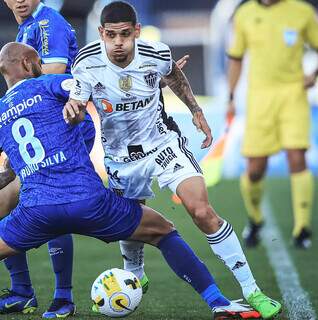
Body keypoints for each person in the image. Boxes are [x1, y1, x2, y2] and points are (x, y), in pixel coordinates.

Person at [0, 42, 263, 320]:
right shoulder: (51, 84)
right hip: (89, 201)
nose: (41, 67)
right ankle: (219, 303)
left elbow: (14, 164)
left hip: (35, 212)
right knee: (163, 230)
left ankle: (34, 294)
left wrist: (10, 173)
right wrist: (151, 84)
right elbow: (100, 88)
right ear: (28, 64)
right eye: (38, 62)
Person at [63, 2, 282, 318]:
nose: (119, 43)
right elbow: (78, 103)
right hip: (121, 157)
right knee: (131, 221)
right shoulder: (86, 62)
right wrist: (73, 111)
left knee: (201, 210)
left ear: (137, 32)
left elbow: (175, 75)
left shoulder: (156, 53)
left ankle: (252, 290)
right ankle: (135, 273)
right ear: (101, 33)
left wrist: (196, 112)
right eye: (111, 35)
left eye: (125, 34)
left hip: (163, 144)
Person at [0, 0, 95, 317]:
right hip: (40, 131)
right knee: (6, 201)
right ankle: (21, 291)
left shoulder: (46, 25)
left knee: (49, 200)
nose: (21, 0)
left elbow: (48, 83)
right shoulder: (28, 26)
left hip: (63, 128)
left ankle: (63, 296)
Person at [227, 0, 318, 249]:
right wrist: (232, 96)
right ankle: (256, 219)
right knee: (255, 169)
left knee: (296, 157)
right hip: (259, 99)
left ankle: (302, 228)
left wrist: (314, 74)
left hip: (293, 94)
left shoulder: (302, 12)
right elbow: (236, 57)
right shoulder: (244, 14)